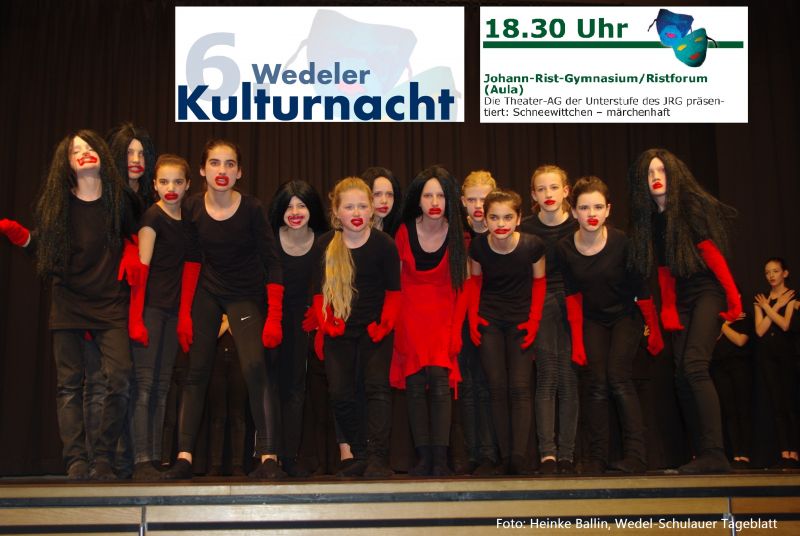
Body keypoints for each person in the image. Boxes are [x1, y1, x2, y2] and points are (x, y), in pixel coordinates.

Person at [0, 129, 140, 480]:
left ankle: (103, 456)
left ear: (102, 154)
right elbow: (44, 247)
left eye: (90, 147)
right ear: (66, 162)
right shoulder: (58, 204)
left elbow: (137, 235)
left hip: (109, 304)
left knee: (120, 378)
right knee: (69, 385)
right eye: (76, 150)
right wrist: (23, 237)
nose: (84, 153)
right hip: (68, 303)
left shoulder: (119, 201)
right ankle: (76, 459)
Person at [161, 139, 285, 480]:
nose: (222, 170)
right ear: (202, 170)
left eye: (230, 164)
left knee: (255, 368)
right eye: (215, 163)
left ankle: (269, 457)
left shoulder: (252, 209)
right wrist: (184, 313)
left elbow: (273, 263)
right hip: (208, 292)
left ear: (239, 172)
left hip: (244, 294)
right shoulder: (192, 207)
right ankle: (184, 457)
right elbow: (191, 261)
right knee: (196, 371)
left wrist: (274, 316)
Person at [627, 148, 741, 473]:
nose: (655, 177)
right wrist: (668, 311)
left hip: (708, 291)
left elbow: (713, 255)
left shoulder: (690, 207)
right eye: (649, 173)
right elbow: (664, 272)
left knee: (694, 366)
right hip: (683, 297)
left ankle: (715, 453)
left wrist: (733, 298)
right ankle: (700, 453)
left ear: (674, 173)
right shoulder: (652, 219)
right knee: (680, 373)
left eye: (661, 170)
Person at [557, 176, 663, 474]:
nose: (591, 214)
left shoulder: (623, 243)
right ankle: (597, 457)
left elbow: (643, 291)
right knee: (596, 383)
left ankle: (636, 456)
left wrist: (653, 330)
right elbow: (573, 297)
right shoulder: (564, 248)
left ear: (608, 210)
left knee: (618, 377)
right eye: (584, 208)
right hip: (593, 319)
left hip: (625, 316)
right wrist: (577, 342)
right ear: (574, 211)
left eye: (597, 207)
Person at [309, 177, 401, 478]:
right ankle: (359, 453)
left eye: (362, 206)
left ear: (372, 209)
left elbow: (394, 292)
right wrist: (326, 321)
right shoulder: (325, 245)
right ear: (337, 211)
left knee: (376, 389)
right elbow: (318, 293)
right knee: (340, 393)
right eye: (349, 207)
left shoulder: (384, 245)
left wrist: (385, 324)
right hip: (339, 331)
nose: (357, 212)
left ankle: (377, 457)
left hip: (374, 329)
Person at [462, 189, 546, 475]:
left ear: (519, 219)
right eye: (494, 217)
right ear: (485, 219)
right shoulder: (479, 247)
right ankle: (505, 457)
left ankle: (518, 458)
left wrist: (534, 321)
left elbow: (539, 283)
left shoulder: (532, 246)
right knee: (496, 387)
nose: (501, 223)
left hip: (521, 321)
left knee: (520, 387)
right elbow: (474, 282)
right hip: (490, 320)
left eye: (508, 217)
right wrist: (473, 319)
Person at [390, 165, 467, 476]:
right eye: (428, 195)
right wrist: (396, 323)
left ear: (450, 199)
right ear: (417, 199)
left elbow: (463, 287)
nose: (435, 202)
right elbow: (395, 285)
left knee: (439, 384)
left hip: (443, 317)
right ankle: (423, 458)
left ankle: (440, 458)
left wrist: (456, 330)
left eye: (441, 195)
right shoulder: (403, 232)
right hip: (409, 316)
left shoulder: (459, 235)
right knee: (414, 384)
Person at [127, 154, 191, 480]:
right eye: (164, 181)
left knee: (162, 386)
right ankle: (141, 459)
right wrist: (136, 319)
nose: (171, 188)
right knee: (144, 385)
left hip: (172, 311)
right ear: (154, 184)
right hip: (150, 310)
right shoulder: (152, 217)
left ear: (188, 185)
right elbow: (141, 272)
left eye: (177, 182)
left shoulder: (187, 221)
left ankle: (154, 457)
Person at [520, 165, 580, 474]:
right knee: (547, 375)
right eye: (541, 189)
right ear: (533, 195)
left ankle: (567, 454)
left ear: (566, 190)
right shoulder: (526, 229)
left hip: (573, 303)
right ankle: (547, 455)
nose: (548, 194)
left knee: (568, 376)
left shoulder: (579, 223)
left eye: (554, 188)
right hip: (540, 302)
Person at [268, 179, 329, 476]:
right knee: (268, 386)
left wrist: (317, 314)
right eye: (289, 206)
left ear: (312, 208)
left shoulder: (323, 242)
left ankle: (289, 455)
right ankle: (266, 455)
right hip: (271, 319)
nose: (295, 212)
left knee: (296, 389)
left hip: (304, 322)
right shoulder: (269, 239)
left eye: (301, 205)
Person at [454, 170, 498, 475]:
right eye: (472, 199)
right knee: (467, 385)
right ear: (462, 202)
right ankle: (472, 453)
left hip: (495, 316)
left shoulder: (503, 230)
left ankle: (492, 452)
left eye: (484, 198)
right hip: (462, 317)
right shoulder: (457, 235)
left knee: (490, 385)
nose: (479, 205)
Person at [753, 258, 798, 469]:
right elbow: (760, 330)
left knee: (790, 404)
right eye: (767, 272)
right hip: (767, 357)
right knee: (776, 405)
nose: (771, 275)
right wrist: (773, 306)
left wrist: (772, 307)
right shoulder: (761, 299)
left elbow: (785, 324)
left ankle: (794, 452)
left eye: (775, 271)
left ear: (785, 273)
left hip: (786, 355)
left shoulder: (791, 296)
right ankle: (784, 451)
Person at [710, 310, 753, 469]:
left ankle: (745, 454)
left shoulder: (742, 315)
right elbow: (712, 338)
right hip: (719, 365)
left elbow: (740, 340)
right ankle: (735, 454)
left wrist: (723, 325)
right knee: (729, 412)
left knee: (743, 410)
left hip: (739, 364)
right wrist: (726, 322)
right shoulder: (719, 315)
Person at [107, 122, 156, 209]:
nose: (136, 160)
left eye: (142, 153)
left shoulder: (155, 196)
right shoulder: (104, 194)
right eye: (129, 152)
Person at [362, 167, 402, 237]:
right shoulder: (356, 230)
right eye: (377, 194)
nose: (384, 201)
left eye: (389, 194)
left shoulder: (398, 229)